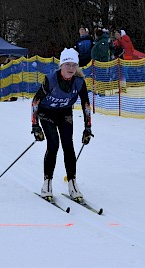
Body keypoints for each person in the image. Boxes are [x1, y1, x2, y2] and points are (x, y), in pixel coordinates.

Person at [31, 48, 93, 200]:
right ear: (61, 65)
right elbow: (35, 101)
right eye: (68, 65)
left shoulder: (78, 82)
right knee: (53, 145)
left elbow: (86, 104)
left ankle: (72, 183)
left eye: (74, 65)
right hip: (47, 113)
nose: (71, 68)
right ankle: (47, 183)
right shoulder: (51, 79)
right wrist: (35, 125)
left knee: (68, 145)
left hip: (64, 113)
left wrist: (88, 128)